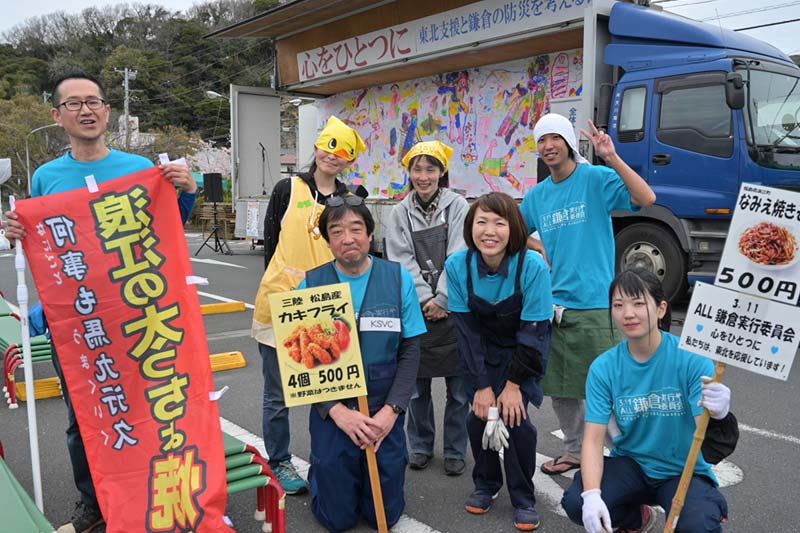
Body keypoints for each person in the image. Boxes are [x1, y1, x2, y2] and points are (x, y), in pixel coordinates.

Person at [2, 71, 198, 533]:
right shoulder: (47, 177)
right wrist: (16, 232)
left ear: (108, 111)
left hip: (138, 316)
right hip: (79, 324)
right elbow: (41, 243)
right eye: (73, 103)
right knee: (85, 417)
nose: (85, 110)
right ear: (57, 115)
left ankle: (152, 493)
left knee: (150, 409)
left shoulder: (138, 167)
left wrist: (187, 190)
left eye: (93, 101)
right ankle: (93, 503)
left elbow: (166, 227)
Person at [519, 113, 656, 476]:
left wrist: (611, 156)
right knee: (562, 390)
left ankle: (627, 460)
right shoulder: (537, 195)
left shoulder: (595, 178)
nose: (548, 146)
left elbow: (645, 197)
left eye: (555, 138)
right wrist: (536, 245)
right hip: (553, 308)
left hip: (595, 304)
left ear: (568, 143)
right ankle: (575, 451)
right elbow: (513, 230)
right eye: (542, 140)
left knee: (606, 390)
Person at [561, 269, 730, 532]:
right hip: (632, 466)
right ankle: (636, 519)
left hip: (683, 470)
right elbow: (593, 439)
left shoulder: (692, 360)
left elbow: (705, 434)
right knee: (576, 502)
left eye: (638, 303)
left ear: (661, 309)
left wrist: (720, 415)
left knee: (698, 523)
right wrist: (591, 495)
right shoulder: (603, 368)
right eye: (618, 305)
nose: (628, 313)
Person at [251, 115, 367, 494]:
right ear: (316, 148)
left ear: (349, 159)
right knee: (278, 394)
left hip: (327, 305)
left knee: (330, 391)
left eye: (342, 151)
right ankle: (279, 461)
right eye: (328, 146)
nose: (332, 155)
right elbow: (271, 244)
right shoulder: (288, 188)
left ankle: (329, 460)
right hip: (281, 301)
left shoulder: (348, 199)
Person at [297, 195, 426, 532]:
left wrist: (391, 413)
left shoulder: (397, 278)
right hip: (333, 407)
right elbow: (303, 364)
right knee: (336, 519)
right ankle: (322, 469)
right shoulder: (310, 285)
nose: (347, 239)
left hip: (383, 404)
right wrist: (336, 412)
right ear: (328, 241)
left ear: (370, 234)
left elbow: (411, 349)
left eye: (356, 229)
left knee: (384, 513)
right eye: (336, 231)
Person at [445, 192, 553, 531]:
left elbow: (534, 332)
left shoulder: (531, 266)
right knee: (479, 418)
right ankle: (486, 484)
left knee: (515, 420)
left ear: (514, 228)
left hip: (524, 350)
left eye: (499, 223)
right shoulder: (457, 266)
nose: (489, 231)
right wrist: (482, 385)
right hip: (480, 351)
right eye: (481, 222)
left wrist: (513, 385)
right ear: (470, 227)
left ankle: (523, 496)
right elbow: (466, 332)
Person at [385, 140, 470, 475]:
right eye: (417, 169)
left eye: (430, 169)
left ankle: (455, 450)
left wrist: (444, 298)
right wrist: (425, 299)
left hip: (454, 308)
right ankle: (420, 446)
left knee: (459, 391)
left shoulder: (458, 206)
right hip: (416, 308)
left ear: (442, 172)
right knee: (416, 388)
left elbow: (460, 253)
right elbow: (401, 259)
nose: (423, 176)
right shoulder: (399, 212)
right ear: (409, 173)